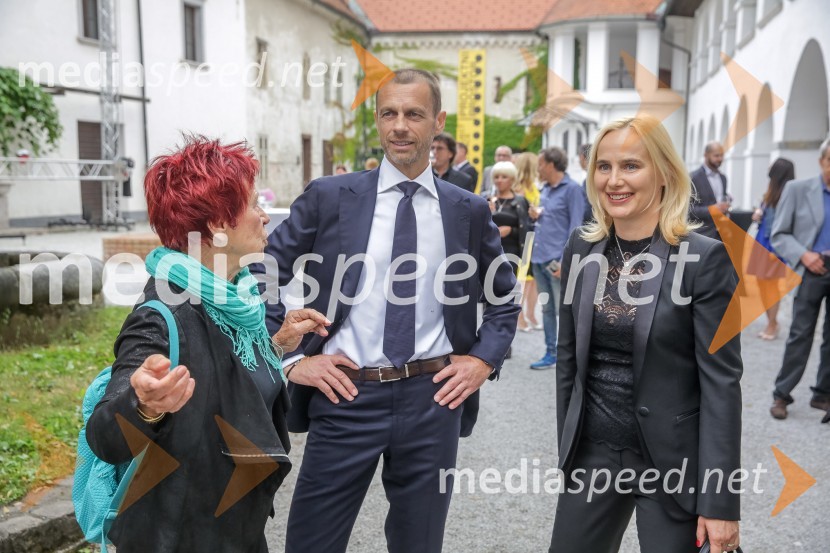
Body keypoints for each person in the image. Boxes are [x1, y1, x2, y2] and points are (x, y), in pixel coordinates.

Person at [256, 68, 519, 553]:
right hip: (345, 392)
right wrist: (291, 360)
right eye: (389, 114)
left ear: (437, 122)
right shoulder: (330, 197)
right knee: (311, 542)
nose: (400, 125)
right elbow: (260, 272)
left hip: (433, 399)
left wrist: (483, 360)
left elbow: (503, 300)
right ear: (378, 121)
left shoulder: (468, 210)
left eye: (413, 114)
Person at [85, 137, 328, 552]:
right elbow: (107, 437)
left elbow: (229, 383)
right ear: (217, 224)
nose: (265, 217)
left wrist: (278, 344)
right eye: (253, 204)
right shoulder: (161, 313)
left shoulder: (237, 299)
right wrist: (143, 402)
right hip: (177, 539)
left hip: (237, 528)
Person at [551, 116, 742, 553]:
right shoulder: (581, 250)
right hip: (593, 456)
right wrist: (569, 449)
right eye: (603, 166)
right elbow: (568, 359)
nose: (614, 180)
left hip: (672, 463)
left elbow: (722, 387)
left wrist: (721, 502)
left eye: (631, 166)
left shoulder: (704, 259)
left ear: (664, 173)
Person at [769, 138, 830, 420]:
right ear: (822, 161)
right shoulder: (797, 189)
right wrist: (805, 256)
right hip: (810, 270)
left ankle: (822, 393)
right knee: (801, 334)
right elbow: (779, 234)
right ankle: (781, 394)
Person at [528, 146, 586, 370]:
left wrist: (566, 261)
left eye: (541, 164)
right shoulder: (545, 190)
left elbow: (576, 227)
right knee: (547, 309)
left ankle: (568, 356)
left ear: (551, 164)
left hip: (557, 260)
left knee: (566, 310)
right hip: (540, 258)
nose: (538, 169)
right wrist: (536, 216)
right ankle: (551, 353)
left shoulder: (571, 189)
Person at [747, 158, 795, 340]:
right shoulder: (772, 190)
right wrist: (759, 213)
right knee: (762, 284)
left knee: (771, 286)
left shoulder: (786, 193)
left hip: (773, 245)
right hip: (762, 242)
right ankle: (772, 322)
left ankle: (772, 324)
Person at [513, 152, 542, 332]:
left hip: (535, 236)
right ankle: (519, 316)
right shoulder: (519, 188)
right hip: (524, 238)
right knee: (522, 279)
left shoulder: (533, 185)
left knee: (533, 280)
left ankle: (530, 313)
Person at [488, 161, 531, 270]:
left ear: (512, 179)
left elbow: (527, 229)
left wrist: (511, 231)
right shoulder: (486, 199)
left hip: (512, 254)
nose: (499, 180)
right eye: (496, 177)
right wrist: (486, 213)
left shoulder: (520, 201)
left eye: (504, 177)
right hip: (489, 251)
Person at [690, 141, 730, 240]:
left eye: (722, 155)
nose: (720, 159)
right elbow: (688, 210)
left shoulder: (723, 178)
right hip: (702, 235)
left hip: (721, 234)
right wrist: (712, 209)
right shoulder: (693, 177)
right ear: (705, 155)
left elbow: (721, 199)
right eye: (716, 155)